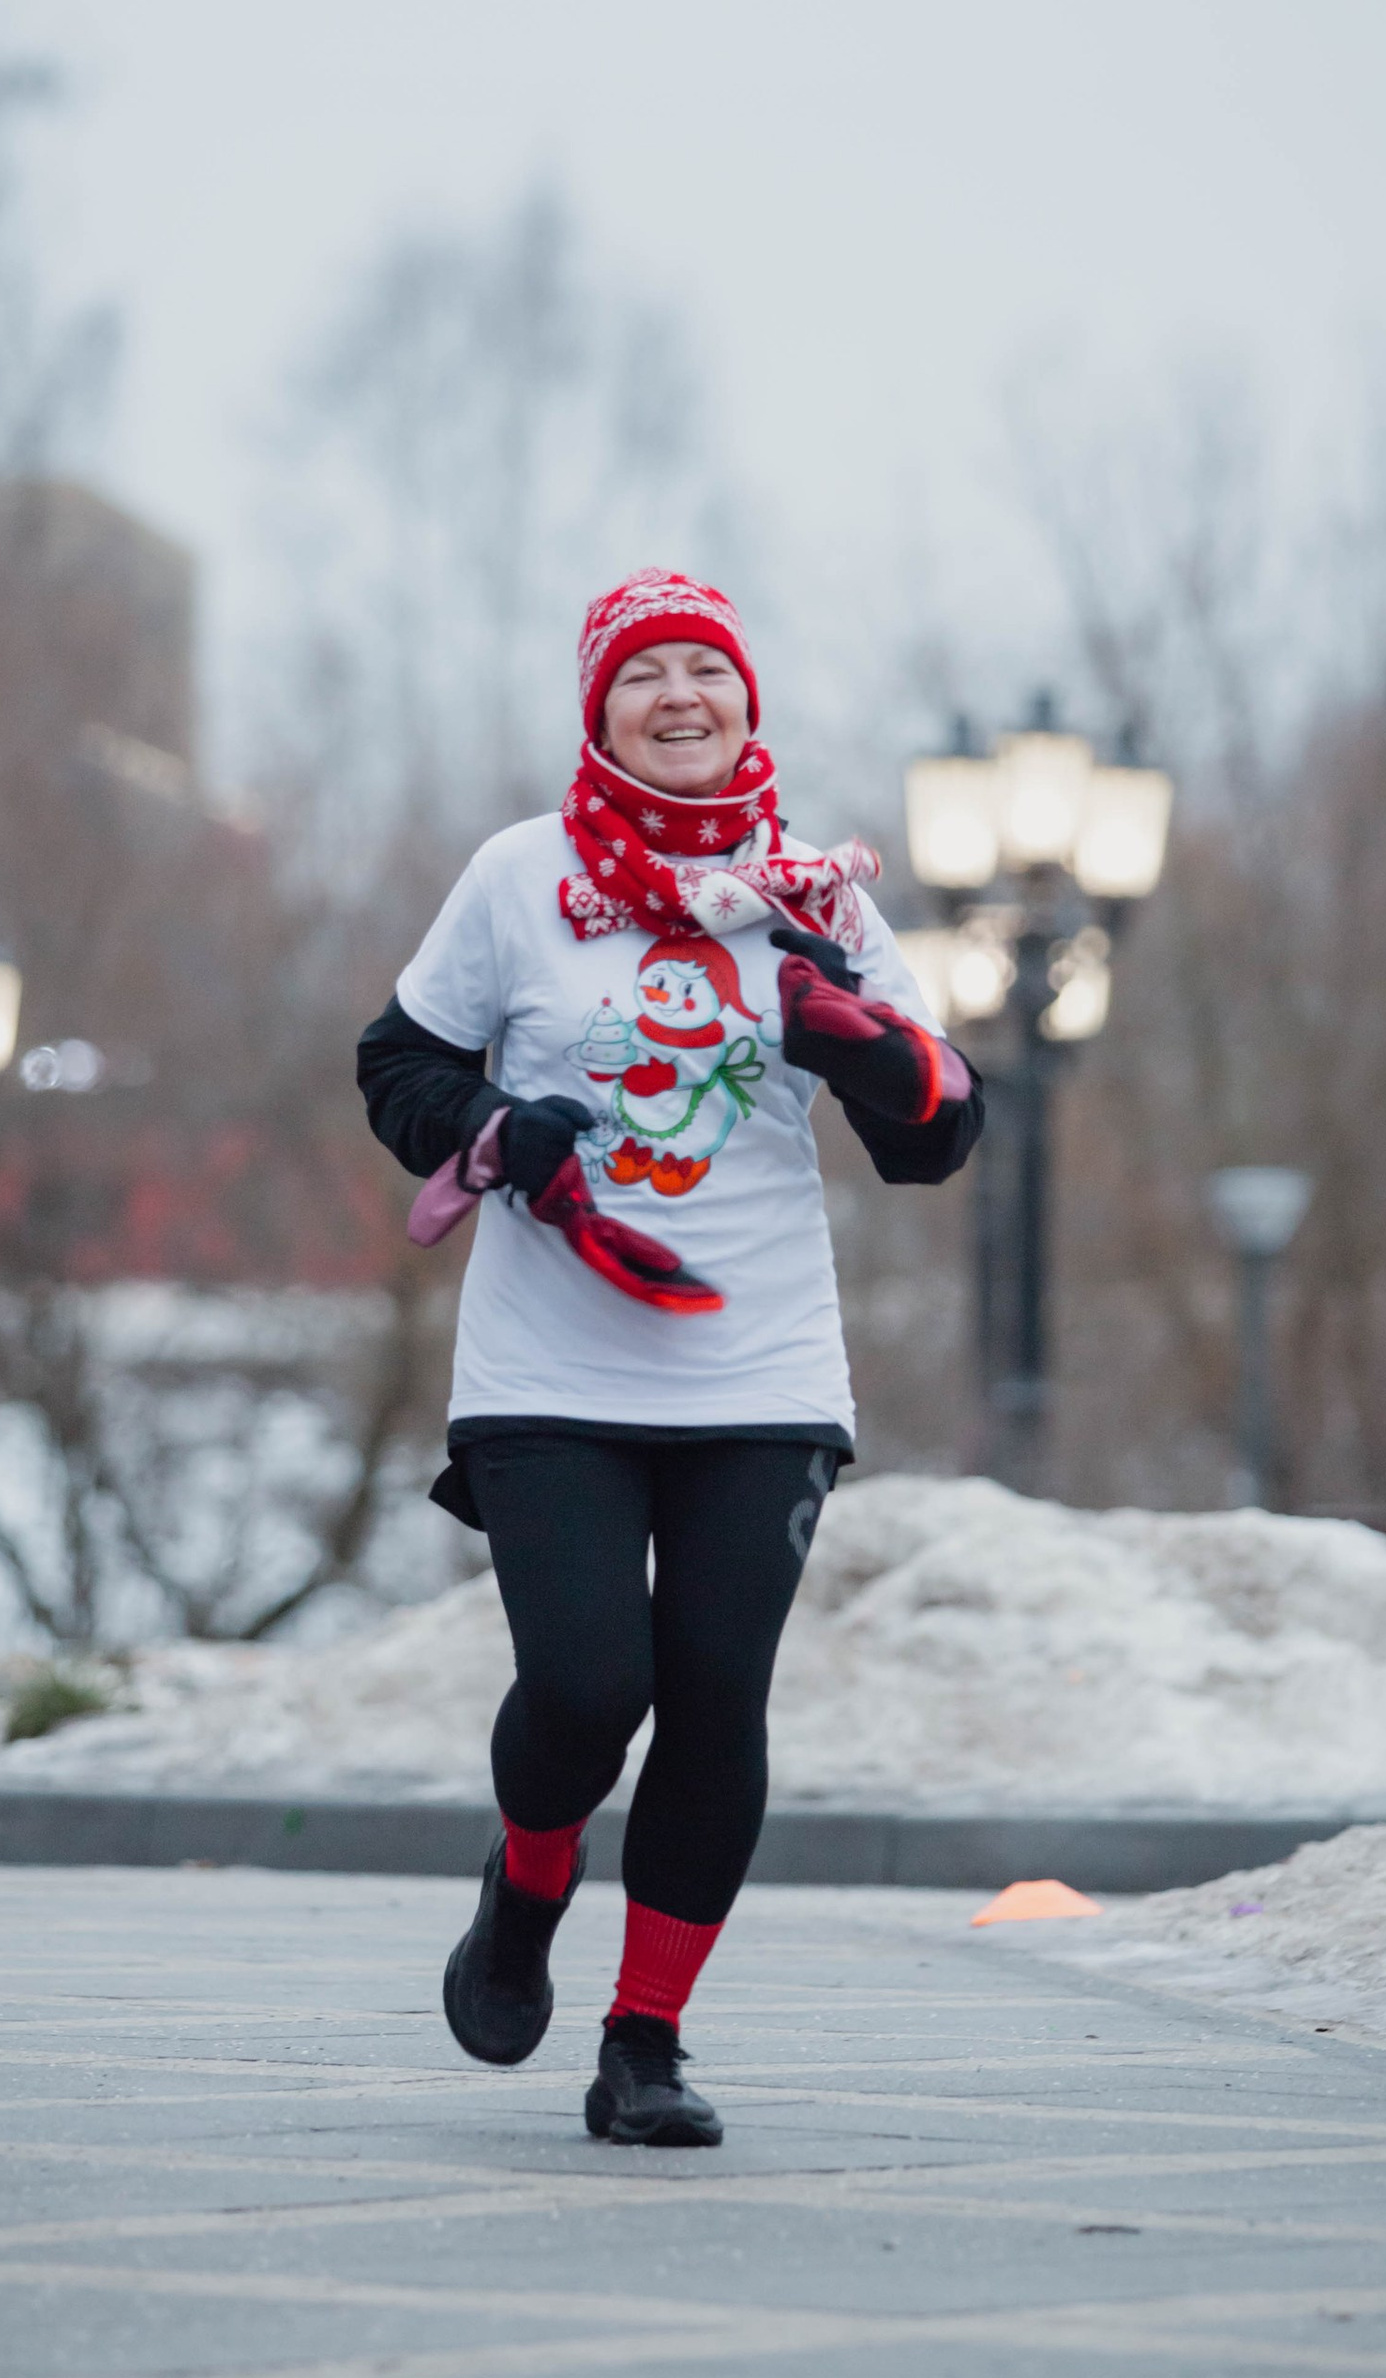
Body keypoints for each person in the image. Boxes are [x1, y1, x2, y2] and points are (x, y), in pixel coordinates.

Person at [358, 567, 981, 2147]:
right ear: (599, 711)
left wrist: (861, 1043)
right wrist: (495, 1125)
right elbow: (398, 1066)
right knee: (588, 1684)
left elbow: (937, 1134)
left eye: (707, 669)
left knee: (715, 1700)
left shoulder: (814, 899)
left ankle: (646, 2040)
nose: (679, 696)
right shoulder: (520, 876)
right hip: (550, 1367)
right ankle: (526, 1888)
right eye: (644, 675)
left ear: (748, 703)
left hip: (760, 1371)